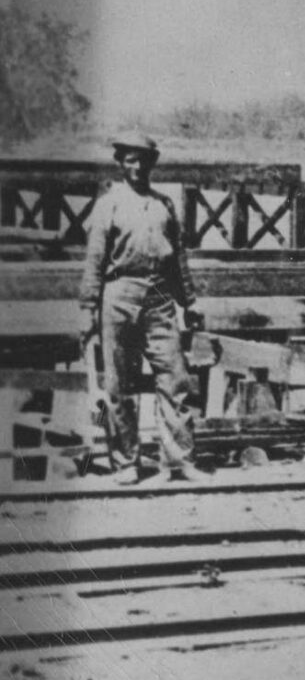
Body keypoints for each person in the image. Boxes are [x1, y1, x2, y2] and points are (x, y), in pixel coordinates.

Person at [77, 132, 199, 485]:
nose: (137, 166)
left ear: (152, 163)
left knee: (174, 378)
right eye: (130, 159)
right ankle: (125, 462)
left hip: (160, 296)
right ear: (121, 163)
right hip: (119, 294)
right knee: (119, 383)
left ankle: (180, 461)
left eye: (143, 159)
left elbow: (179, 259)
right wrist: (88, 308)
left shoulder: (164, 204)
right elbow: (95, 261)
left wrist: (189, 302)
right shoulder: (108, 203)